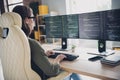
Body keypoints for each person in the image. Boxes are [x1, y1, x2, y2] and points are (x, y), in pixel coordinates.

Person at [12, 5, 81, 80]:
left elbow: (27, 60)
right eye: (32, 17)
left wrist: (43, 54)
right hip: (43, 77)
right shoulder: (32, 43)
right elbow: (52, 71)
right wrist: (57, 59)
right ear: (26, 20)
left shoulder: (13, 42)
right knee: (71, 71)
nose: (34, 21)